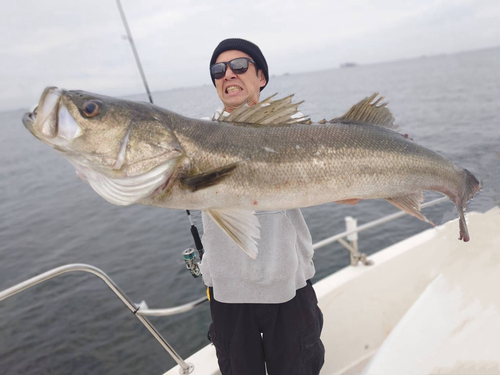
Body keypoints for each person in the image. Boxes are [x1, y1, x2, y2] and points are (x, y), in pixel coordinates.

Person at [199, 38, 325, 375]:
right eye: (218, 70)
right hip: (227, 292)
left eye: (239, 66)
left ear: (261, 77)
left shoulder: (293, 128)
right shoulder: (197, 134)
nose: (228, 75)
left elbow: (343, 186)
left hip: (288, 286)